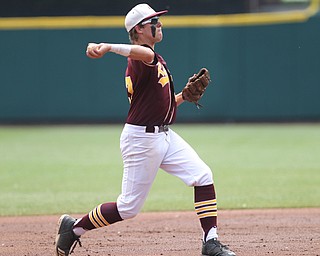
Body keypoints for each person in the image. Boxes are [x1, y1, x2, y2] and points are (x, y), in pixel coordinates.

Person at [54, 3, 236, 256]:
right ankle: (73, 229)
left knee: (203, 176)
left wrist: (184, 96)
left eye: (158, 20)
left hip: (163, 134)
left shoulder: (153, 58)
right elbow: (138, 53)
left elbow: (161, 104)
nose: (159, 24)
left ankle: (211, 242)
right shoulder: (142, 58)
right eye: (154, 21)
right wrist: (108, 47)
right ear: (138, 30)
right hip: (142, 139)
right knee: (128, 207)